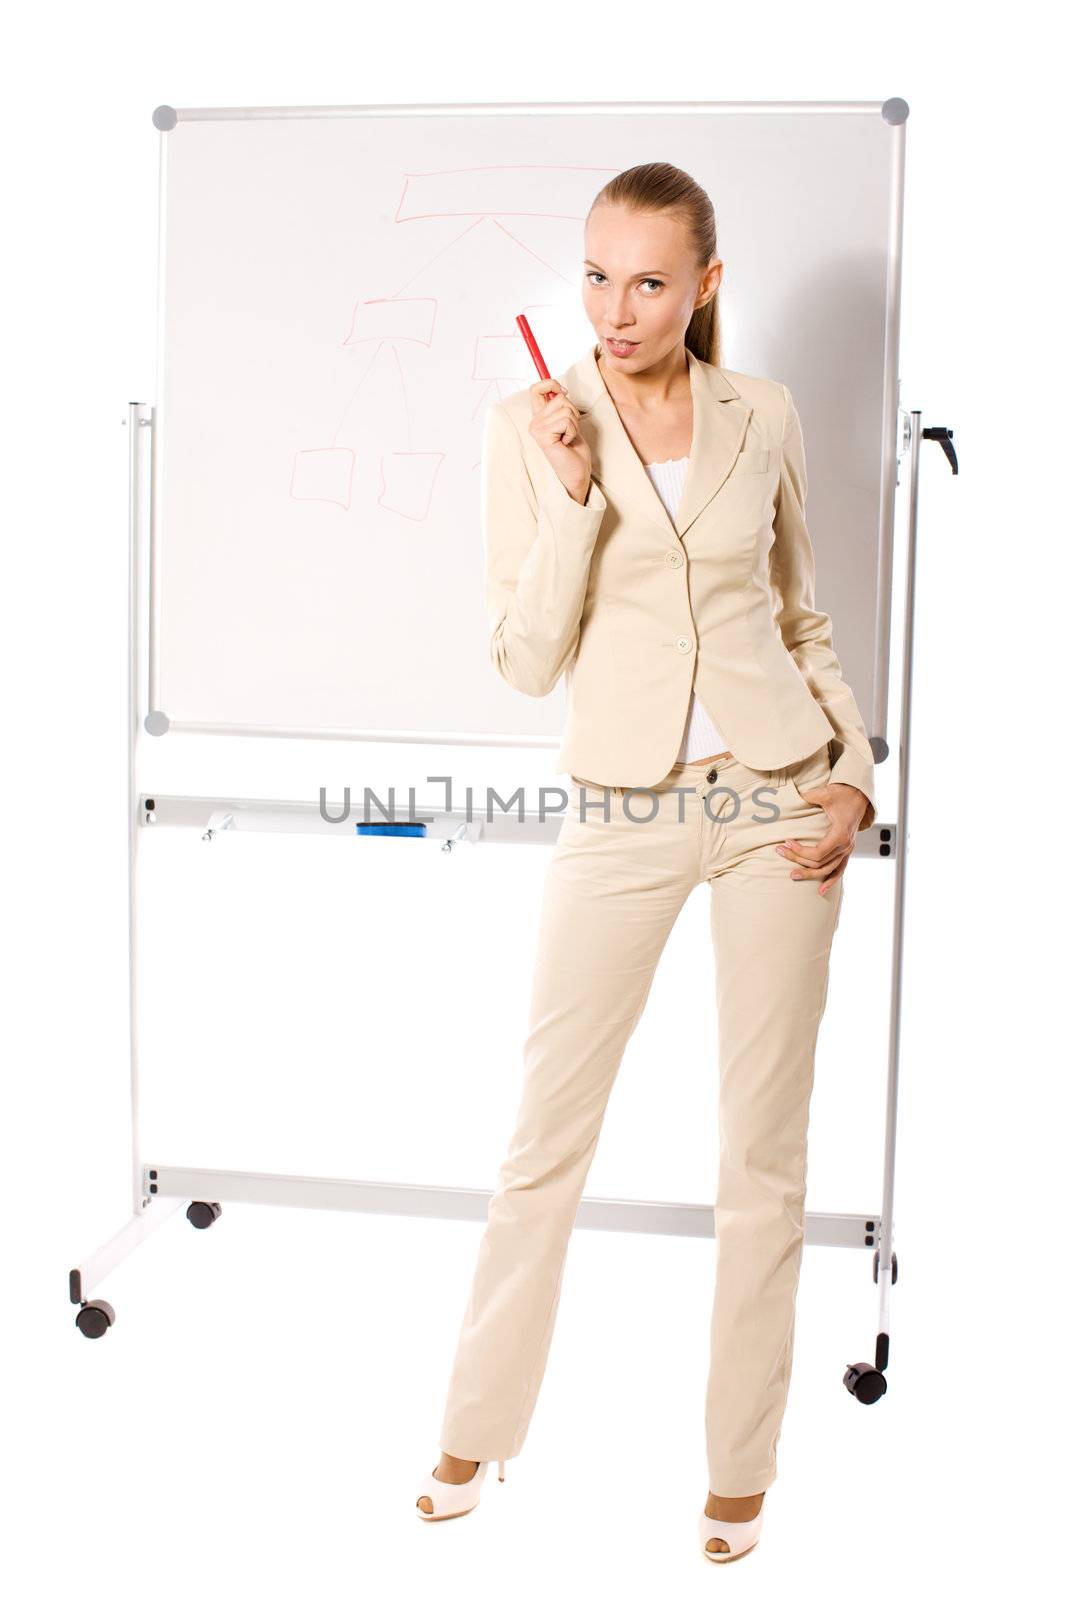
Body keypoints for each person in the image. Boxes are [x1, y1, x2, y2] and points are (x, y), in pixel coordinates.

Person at [416, 162, 876, 1563]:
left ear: (709, 285)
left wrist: (850, 774)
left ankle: (740, 1471)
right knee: (545, 1140)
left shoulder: (767, 417)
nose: (618, 310)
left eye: (652, 281)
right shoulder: (528, 427)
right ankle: (476, 1428)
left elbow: (802, 621)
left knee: (764, 1158)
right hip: (619, 809)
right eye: (599, 276)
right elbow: (522, 658)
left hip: (777, 800)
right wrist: (572, 497)